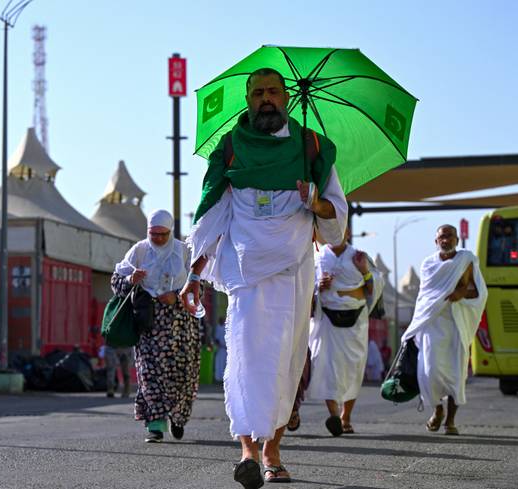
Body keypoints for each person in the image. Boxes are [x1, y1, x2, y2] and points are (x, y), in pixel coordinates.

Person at [181, 67, 347, 487]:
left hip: (294, 272)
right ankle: (247, 452)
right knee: (246, 360)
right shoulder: (231, 148)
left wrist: (316, 202)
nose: (267, 99)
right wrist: (194, 275)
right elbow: (214, 216)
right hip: (245, 273)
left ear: (287, 97)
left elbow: (336, 219)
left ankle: (273, 451)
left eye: (274, 91)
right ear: (248, 99)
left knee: (285, 363)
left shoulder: (313, 148)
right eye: (259, 93)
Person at [111, 209, 201, 443]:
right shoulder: (139, 251)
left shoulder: (184, 252)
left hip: (181, 326)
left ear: (171, 232)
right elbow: (116, 280)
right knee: (149, 374)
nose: (158, 239)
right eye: (154, 234)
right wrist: (131, 279)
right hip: (148, 324)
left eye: (163, 234)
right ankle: (155, 424)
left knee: (182, 375)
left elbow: (203, 283)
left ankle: (178, 418)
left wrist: (177, 296)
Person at [401, 224, 487, 436]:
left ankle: (450, 420)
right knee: (428, 372)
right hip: (432, 324)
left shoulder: (466, 259)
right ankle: (437, 410)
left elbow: (478, 291)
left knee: (456, 374)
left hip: (456, 324)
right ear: (436, 241)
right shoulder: (428, 264)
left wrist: (460, 294)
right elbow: (425, 297)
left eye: (449, 236)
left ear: (457, 239)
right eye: (441, 237)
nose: (445, 240)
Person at [308, 233, 384, 435]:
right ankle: (334, 415)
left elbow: (375, 285)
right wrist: (317, 286)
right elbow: (304, 286)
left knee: (353, 367)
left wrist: (365, 272)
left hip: (356, 319)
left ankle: (346, 416)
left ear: (347, 232)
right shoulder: (316, 258)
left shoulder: (360, 256)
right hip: (326, 318)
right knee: (325, 365)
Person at [213, 316, 227, 382]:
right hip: (220, 349)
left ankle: (224, 378)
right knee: (219, 363)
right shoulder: (218, 327)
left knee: (225, 363)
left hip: (226, 349)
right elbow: (216, 339)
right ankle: (218, 378)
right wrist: (219, 345)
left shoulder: (226, 327)